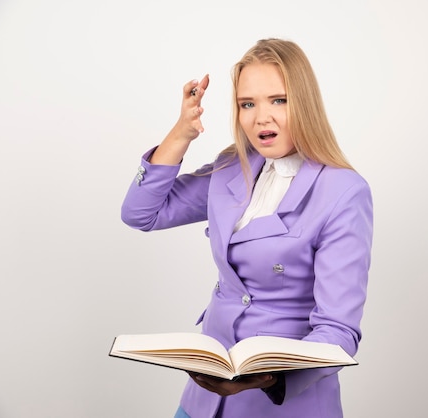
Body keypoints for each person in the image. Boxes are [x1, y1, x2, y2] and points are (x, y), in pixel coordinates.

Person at [121, 38, 373, 418]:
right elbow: (141, 213)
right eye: (247, 104)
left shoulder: (344, 192)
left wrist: (269, 377)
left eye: (279, 100)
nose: (261, 117)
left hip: (285, 404)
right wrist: (181, 133)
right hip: (203, 400)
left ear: (304, 102)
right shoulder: (230, 168)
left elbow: (338, 331)